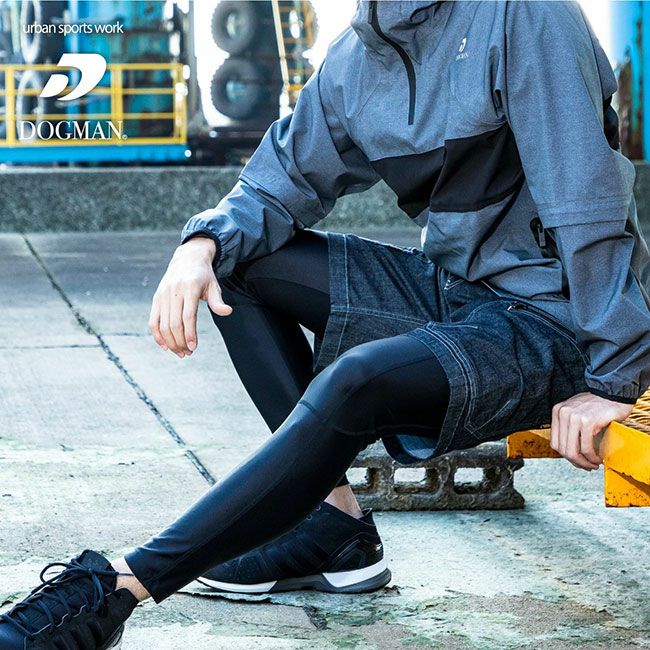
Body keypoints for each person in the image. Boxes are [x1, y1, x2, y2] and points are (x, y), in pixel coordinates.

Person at [3, 1, 649, 648]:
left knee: (358, 381)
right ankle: (333, 528)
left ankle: (115, 590)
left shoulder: (522, 14)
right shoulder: (360, 54)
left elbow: (585, 201)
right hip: (458, 290)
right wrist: (199, 246)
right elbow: (278, 179)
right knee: (235, 262)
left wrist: (615, 376)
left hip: (556, 317)